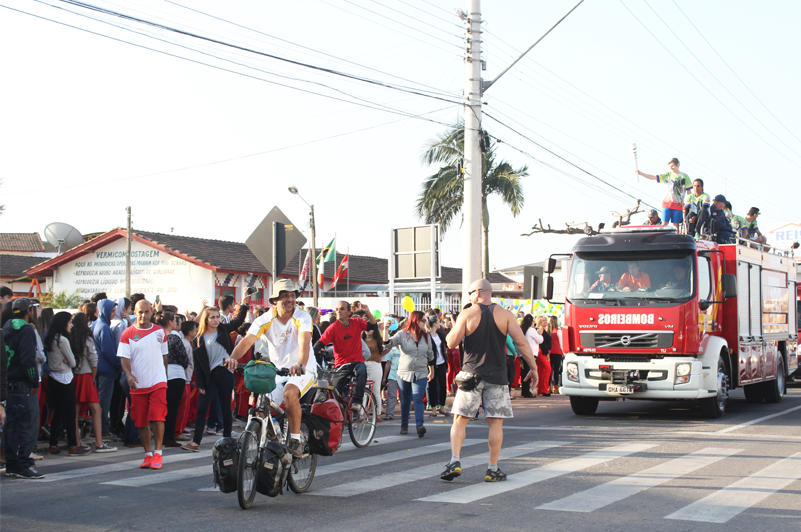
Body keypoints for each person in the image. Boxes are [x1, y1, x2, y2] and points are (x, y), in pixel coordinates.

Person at [441, 279, 538, 482]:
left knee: (460, 420)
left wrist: (456, 324)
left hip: (471, 374)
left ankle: (454, 461)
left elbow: (451, 342)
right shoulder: (505, 314)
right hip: (497, 376)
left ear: (477, 292)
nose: (468, 297)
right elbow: (521, 342)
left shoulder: (467, 314)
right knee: (495, 423)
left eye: (469, 293)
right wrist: (533, 367)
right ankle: (492, 468)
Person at [228, 279, 313, 458]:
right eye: (284, 296)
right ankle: (271, 443)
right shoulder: (265, 319)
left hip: (302, 369)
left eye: (292, 295)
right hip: (277, 371)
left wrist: (300, 365)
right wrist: (232, 359)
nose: (290, 299)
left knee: (289, 394)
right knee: (261, 407)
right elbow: (247, 341)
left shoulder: (302, 316)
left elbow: (304, 343)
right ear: (275, 300)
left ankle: (295, 440)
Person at [182, 295, 249, 452]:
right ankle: (196, 442)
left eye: (217, 317)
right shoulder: (199, 338)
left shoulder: (224, 330)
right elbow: (198, 364)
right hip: (209, 376)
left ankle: (227, 440)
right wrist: (199, 384)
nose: (215, 320)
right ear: (206, 319)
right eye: (212, 317)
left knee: (226, 408)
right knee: (202, 408)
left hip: (225, 373)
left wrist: (244, 301)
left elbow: (238, 320)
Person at [117, 300, 169, 469]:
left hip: (157, 382)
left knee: (157, 416)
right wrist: (129, 374)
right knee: (140, 421)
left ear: (151, 313)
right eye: (140, 312)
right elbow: (125, 360)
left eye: (147, 312)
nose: (143, 316)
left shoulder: (160, 332)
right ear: (134, 312)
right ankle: (148, 454)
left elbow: (164, 358)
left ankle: (158, 453)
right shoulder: (127, 334)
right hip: (138, 384)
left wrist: (164, 377)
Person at [3, 298, 45, 478]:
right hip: (22, 384)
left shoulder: (6, 328)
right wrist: (34, 382)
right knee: (29, 425)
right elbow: (29, 360)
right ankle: (24, 464)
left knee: (11, 426)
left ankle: (12, 463)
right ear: (28, 311)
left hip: (7, 384)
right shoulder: (26, 330)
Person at [313, 301, 377, 413]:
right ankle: (340, 416)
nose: (338, 311)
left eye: (342, 309)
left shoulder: (356, 322)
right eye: (337, 309)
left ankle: (357, 402)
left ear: (349, 312)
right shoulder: (333, 328)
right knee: (336, 394)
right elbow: (320, 343)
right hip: (341, 365)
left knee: (362, 371)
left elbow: (373, 326)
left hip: (357, 362)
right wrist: (309, 355)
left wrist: (367, 312)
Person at [44, 312, 89, 456]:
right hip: (65, 378)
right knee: (70, 413)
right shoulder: (62, 339)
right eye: (70, 322)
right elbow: (73, 362)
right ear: (63, 323)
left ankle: (53, 444)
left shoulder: (50, 338)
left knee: (57, 411)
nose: (71, 325)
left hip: (53, 377)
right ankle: (73, 445)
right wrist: (66, 360)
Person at [381, 311, 433, 436]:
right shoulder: (402, 334)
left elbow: (431, 354)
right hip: (404, 372)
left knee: (418, 399)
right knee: (405, 399)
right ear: (416, 321)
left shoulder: (426, 336)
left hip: (420, 372)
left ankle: (419, 425)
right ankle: (404, 424)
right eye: (423, 320)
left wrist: (431, 369)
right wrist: (386, 330)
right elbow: (388, 343)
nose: (425, 323)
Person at [70, 313, 116, 453]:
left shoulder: (70, 338)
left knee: (75, 411)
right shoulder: (87, 339)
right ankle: (99, 443)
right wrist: (92, 378)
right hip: (86, 376)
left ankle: (76, 441)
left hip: (73, 376)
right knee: (97, 410)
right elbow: (94, 361)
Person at [157, 311, 188, 448]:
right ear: (170, 322)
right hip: (175, 374)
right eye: (175, 321)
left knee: (162, 407)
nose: (176, 324)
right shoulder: (174, 338)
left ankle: (160, 435)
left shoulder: (156, 337)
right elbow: (184, 359)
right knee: (173, 408)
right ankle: (169, 437)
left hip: (160, 374)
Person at [638, 158, 692, 229]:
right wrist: (640, 173)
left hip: (678, 204)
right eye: (670, 166)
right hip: (667, 203)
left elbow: (689, 191)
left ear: (677, 165)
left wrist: (688, 203)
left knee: (676, 225)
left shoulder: (684, 176)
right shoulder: (667, 175)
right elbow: (654, 177)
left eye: (673, 165)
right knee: (664, 223)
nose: (671, 167)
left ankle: (675, 239)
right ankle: (663, 238)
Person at [93, 298, 119, 437]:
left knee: (100, 399)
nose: (114, 314)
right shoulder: (103, 327)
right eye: (113, 311)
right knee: (104, 400)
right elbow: (108, 351)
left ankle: (99, 426)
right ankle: (102, 428)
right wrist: (119, 364)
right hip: (106, 370)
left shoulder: (98, 324)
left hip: (99, 368)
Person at [425, 310, 450, 417]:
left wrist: (446, 361)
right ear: (434, 323)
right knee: (432, 386)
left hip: (442, 362)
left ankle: (442, 407)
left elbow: (444, 347)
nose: (440, 323)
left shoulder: (440, 334)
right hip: (432, 364)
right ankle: (434, 409)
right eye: (439, 321)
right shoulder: (426, 336)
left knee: (443, 385)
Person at [362, 325, 388, 422]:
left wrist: (380, 356)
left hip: (375, 365)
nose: (367, 330)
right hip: (363, 365)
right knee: (363, 389)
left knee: (376, 390)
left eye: (370, 328)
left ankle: (378, 414)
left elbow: (388, 347)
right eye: (366, 328)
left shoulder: (378, 340)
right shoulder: (360, 340)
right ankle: (362, 413)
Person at [520, 314, 542, 398]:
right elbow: (540, 340)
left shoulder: (523, 329)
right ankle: (527, 392)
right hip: (530, 354)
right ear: (532, 321)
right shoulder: (531, 330)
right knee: (528, 373)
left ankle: (524, 391)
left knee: (524, 373)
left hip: (523, 354)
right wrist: (540, 334)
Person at [380, 342, 401, 420]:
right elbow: (388, 364)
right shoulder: (392, 350)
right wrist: (384, 377)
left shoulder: (406, 350)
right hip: (392, 376)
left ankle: (406, 413)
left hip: (404, 376)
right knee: (391, 395)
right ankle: (389, 414)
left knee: (404, 396)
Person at [535, 316, 552, 397]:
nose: (545, 322)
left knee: (541, 371)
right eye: (543, 320)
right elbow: (541, 342)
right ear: (539, 322)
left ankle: (541, 390)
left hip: (543, 351)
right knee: (548, 369)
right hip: (543, 352)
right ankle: (544, 390)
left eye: (545, 320)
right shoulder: (541, 330)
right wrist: (547, 353)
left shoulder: (543, 329)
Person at [548, 316, 563, 394]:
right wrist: (564, 352)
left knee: (549, 370)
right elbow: (561, 343)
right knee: (556, 370)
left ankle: (548, 387)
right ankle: (555, 387)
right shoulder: (558, 331)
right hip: (557, 351)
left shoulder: (548, 331)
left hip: (550, 352)